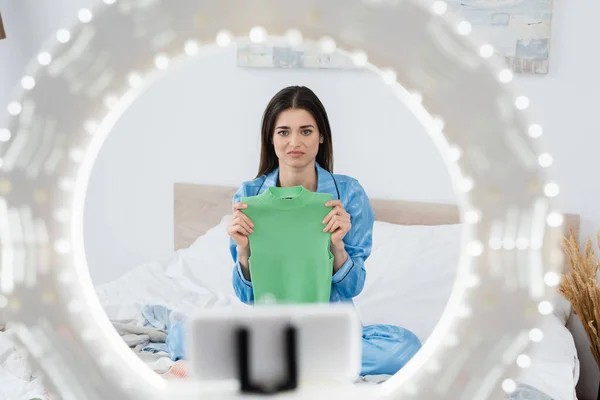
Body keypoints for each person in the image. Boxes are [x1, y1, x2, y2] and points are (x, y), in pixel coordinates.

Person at [228, 85, 422, 377]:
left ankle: (293, 361)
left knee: (405, 348)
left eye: (306, 131)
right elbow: (247, 296)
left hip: (331, 331)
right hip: (273, 328)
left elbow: (352, 287)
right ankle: (302, 361)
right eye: (284, 132)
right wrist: (244, 252)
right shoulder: (248, 196)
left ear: (321, 137)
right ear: (270, 138)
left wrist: (338, 248)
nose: (295, 141)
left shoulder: (348, 193)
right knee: (188, 335)